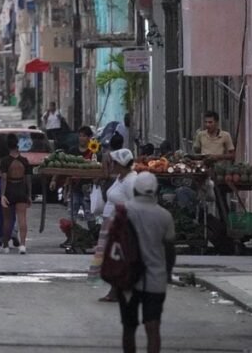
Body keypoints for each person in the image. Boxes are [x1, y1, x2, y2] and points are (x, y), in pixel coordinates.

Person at [117, 172, 176, 353]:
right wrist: (167, 272)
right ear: (156, 190)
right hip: (155, 279)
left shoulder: (123, 212)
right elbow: (170, 249)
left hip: (128, 279)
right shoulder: (164, 216)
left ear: (135, 190)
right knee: (153, 328)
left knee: (129, 327)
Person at [94, 147, 138, 303]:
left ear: (121, 164)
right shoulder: (120, 178)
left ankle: (117, 291)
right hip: (111, 223)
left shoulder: (131, 181)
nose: (111, 164)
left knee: (116, 259)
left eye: (114, 162)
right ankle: (117, 290)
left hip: (122, 225)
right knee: (112, 259)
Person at [0, 134, 32, 254]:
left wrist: (2, 195)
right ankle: (23, 245)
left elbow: (4, 178)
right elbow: (28, 179)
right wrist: (29, 194)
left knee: (7, 220)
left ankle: (5, 246)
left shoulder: (5, 161)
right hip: (21, 189)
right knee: (22, 218)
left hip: (9, 189)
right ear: (17, 144)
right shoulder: (24, 161)